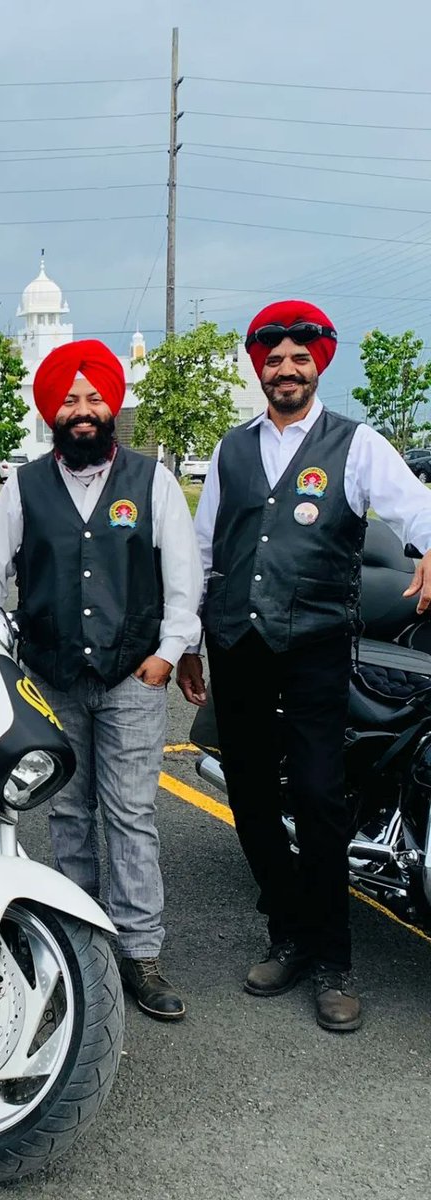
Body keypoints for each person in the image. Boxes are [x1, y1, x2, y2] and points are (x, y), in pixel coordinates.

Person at [177, 300, 431, 1033]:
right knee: (253, 795)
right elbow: (202, 548)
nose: (286, 370)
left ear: (318, 364)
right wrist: (187, 640)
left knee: (320, 796)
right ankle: (286, 932)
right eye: (274, 359)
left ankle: (332, 959)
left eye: (298, 358)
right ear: (259, 369)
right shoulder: (232, 449)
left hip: (317, 645)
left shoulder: (356, 444)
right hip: (238, 643)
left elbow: (416, 509)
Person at [0, 339, 202, 1021]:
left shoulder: (152, 481)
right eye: (69, 400)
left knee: (131, 815)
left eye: (94, 398)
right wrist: (0, 643)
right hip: (51, 678)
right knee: (68, 814)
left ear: (111, 406)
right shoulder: (25, 486)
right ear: (52, 412)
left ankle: (140, 952)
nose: (82, 410)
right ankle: (75, 945)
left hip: (133, 676)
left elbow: (183, 578)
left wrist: (168, 652)